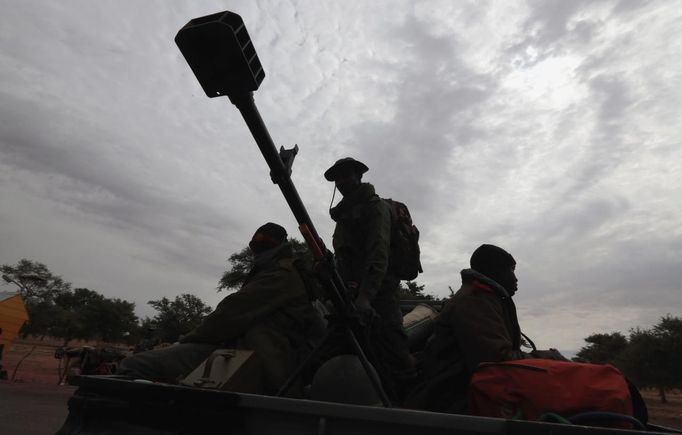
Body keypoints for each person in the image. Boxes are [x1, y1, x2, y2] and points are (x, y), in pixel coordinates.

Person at [117, 223, 316, 396]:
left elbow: (228, 315)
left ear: (281, 246)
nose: (258, 251)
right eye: (255, 246)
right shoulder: (275, 271)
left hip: (261, 360)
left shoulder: (281, 275)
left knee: (135, 365)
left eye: (264, 245)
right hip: (240, 352)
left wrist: (185, 340)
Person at [406, 244, 566, 412]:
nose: (516, 278)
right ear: (494, 271)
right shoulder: (474, 301)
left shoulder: (485, 298)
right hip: (455, 398)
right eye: (511, 270)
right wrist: (549, 358)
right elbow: (496, 362)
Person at [324, 157, 414, 399]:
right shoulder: (345, 215)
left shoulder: (375, 208)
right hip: (351, 290)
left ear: (359, 176)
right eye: (338, 177)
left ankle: (406, 403)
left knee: (392, 345)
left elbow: (378, 253)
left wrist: (365, 297)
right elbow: (344, 256)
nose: (342, 181)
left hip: (380, 288)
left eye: (347, 175)